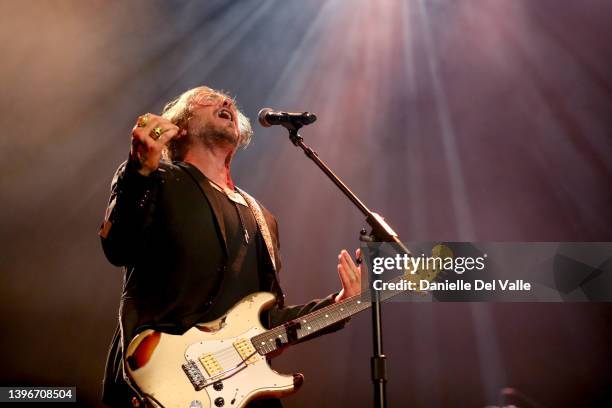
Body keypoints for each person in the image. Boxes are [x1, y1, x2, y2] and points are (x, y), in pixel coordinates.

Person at [98, 86, 362, 407]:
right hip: (155, 382)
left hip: (236, 394)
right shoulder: (156, 179)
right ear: (180, 127)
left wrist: (340, 304)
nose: (225, 101)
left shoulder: (262, 218)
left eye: (229, 102)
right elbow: (117, 247)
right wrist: (139, 171)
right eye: (207, 99)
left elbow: (266, 326)